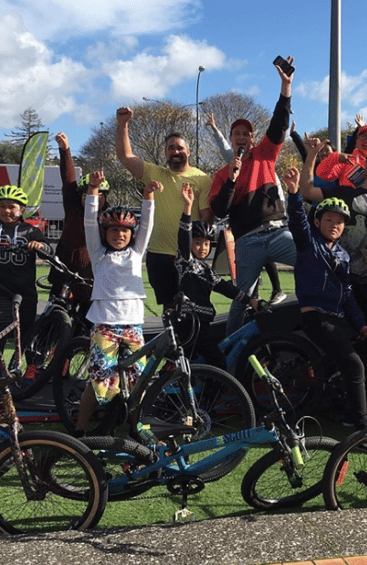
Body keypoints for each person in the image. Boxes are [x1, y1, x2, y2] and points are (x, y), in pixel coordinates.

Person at [282, 166, 367, 430]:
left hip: (339, 319)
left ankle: (344, 410)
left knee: (362, 356)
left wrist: (361, 325)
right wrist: (293, 193)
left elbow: (347, 295)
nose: (334, 225)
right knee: (354, 366)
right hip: (317, 317)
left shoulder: (343, 256)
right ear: (318, 223)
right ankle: (363, 427)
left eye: (339, 222)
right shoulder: (309, 244)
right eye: (329, 220)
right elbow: (297, 221)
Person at [210, 56, 297, 335]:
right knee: (240, 299)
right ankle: (228, 354)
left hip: (277, 234)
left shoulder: (264, 154)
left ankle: (306, 328)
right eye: (236, 133)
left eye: (246, 133)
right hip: (246, 242)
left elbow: (279, 124)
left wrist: (286, 89)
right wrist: (232, 178)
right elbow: (220, 211)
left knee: (312, 263)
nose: (241, 137)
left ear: (252, 137)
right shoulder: (223, 173)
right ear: (230, 138)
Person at [75, 172, 159, 436]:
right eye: (113, 230)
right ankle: (79, 430)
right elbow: (89, 222)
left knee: (138, 381)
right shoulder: (99, 255)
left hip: (133, 324)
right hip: (105, 324)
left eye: (124, 230)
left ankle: (137, 428)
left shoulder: (136, 253)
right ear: (105, 233)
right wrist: (92, 189)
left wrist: (148, 198)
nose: (119, 234)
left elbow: (147, 225)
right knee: (100, 381)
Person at [299, 138, 367, 327]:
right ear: (365, 164)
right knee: (343, 344)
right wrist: (312, 155)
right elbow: (307, 191)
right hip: (341, 282)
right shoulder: (345, 193)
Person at [115, 110, 212, 309]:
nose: (175, 152)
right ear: (165, 153)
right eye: (170, 148)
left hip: (187, 257)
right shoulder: (154, 172)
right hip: (158, 256)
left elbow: (206, 220)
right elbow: (125, 156)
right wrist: (123, 124)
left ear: (189, 151)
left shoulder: (202, 179)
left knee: (193, 309)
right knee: (169, 309)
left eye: (179, 148)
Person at [0, 185, 51, 383]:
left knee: (28, 329)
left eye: (12, 207)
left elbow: (49, 250)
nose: (7, 210)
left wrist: (39, 246)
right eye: (2, 206)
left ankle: (28, 367)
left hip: (26, 291)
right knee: (2, 324)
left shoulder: (30, 230)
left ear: (21, 210)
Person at [176, 184, 260, 369]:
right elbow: (184, 235)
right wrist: (188, 207)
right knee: (218, 366)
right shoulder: (185, 262)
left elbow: (226, 288)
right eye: (197, 243)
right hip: (188, 323)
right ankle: (209, 398)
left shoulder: (207, 271)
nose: (202, 248)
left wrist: (249, 300)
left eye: (206, 244)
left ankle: (201, 395)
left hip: (202, 325)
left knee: (197, 365)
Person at [50, 132, 107, 319]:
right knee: (53, 313)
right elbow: (68, 181)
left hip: (89, 275)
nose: (90, 200)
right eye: (85, 196)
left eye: (98, 197)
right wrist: (65, 150)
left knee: (86, 318)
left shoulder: (106, 219)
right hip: (63, 269)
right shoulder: (72, 209)